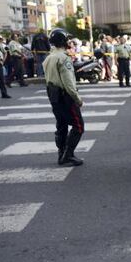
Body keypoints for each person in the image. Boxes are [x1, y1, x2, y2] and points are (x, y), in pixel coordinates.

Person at [43, 28, 84, 166]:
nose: (69, 42)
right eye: (67, 39)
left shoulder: (49, 57)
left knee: (61, 125)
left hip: (53, 95)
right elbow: (68, 83)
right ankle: (68, 155)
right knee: (78, 126)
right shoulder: (63, 58)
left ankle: (61, 154)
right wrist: (77, 98)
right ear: (62, 41)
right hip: (65, 96)